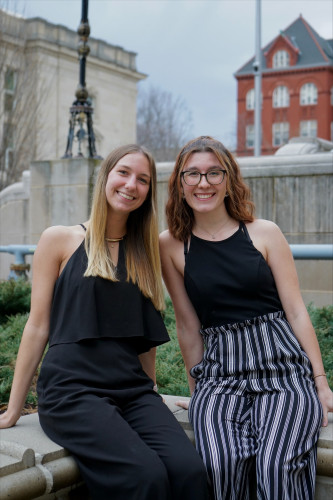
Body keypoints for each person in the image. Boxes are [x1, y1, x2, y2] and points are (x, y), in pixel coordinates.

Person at [0, 144, 210, 500]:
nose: (131, 185)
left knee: (190, 469)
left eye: (143, 180)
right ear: (106, 176)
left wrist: (152, 390)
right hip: (72, 391)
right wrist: (14, 408)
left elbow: (144, 337)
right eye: (124, 172)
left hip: (131, 390)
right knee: (144, 476)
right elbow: (37, 326)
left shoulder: (144, 254)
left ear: (148, 193)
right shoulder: (59, 239)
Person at [159, 136, 333, 500]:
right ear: (179, 183)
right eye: (192, 174)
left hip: (283, 373)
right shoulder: (171, 245)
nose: (203, 183)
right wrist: (197, 391)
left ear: (229, 180)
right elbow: (188, 325)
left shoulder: (264, 232)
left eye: (213, 173)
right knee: (219, 465)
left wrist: (320, 381)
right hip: (221, 377)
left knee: (277, 464)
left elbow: (296, 310)